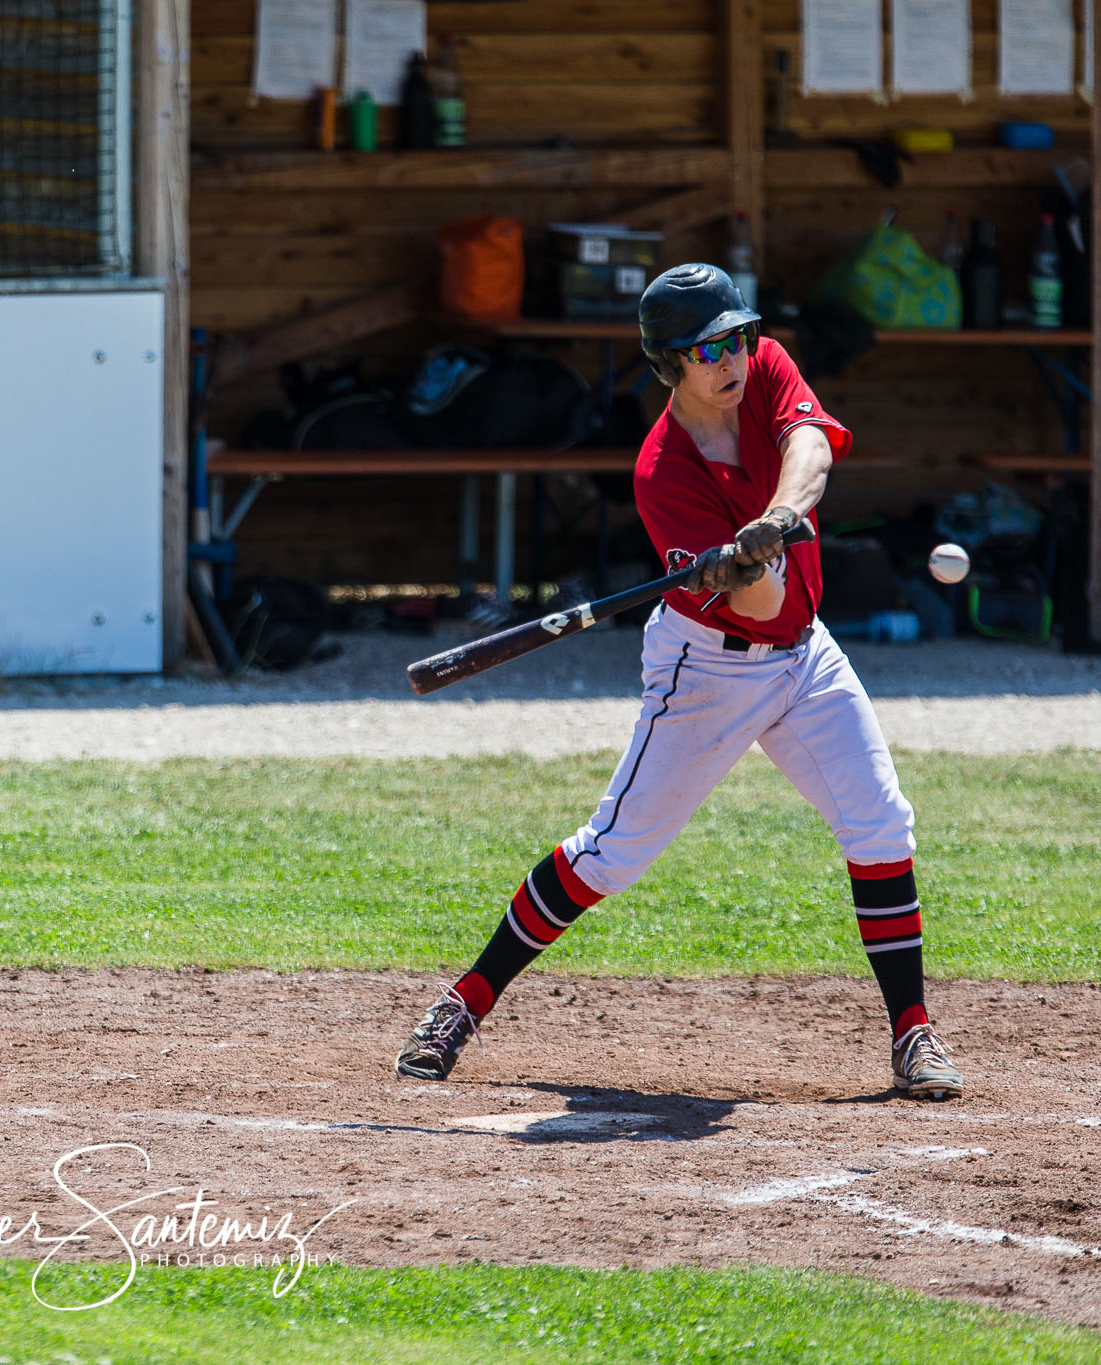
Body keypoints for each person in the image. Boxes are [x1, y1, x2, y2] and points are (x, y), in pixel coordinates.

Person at [393, 264, 963, 1101]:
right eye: (709, 350)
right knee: (611, 852)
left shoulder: (763, 365)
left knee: (881, 824)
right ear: (671, 364)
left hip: (806, 655)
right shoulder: (662, 474)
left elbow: (809, 450)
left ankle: (914, 1032)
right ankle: (463, 1001)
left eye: (736, 337)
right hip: (708, 668)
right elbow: (758, 605)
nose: (731, 358)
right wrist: (747, 565)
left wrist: (768, 522)